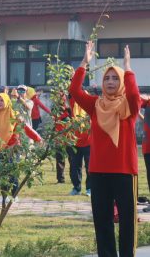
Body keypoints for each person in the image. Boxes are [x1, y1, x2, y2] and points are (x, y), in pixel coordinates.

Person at [69, 41, 140, 257]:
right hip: (99, 172)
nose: (110, 81)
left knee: (127, 222)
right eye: (107, 78)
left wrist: (127, 67)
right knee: (102, 221)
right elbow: (74, 90)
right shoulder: (94, 105)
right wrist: (84, 62)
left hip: (125, 172)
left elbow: (135, 94)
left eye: (115, 78)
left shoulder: (130, 106)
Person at [0, 91, 41, 203]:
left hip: (13, 149)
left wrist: (38, 138)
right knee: (1, 173)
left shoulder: (14, 115)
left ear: (7, 101)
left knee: (12, 173)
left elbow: (26, 128)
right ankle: (4, 196)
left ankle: (14, 196)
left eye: (2, 100)